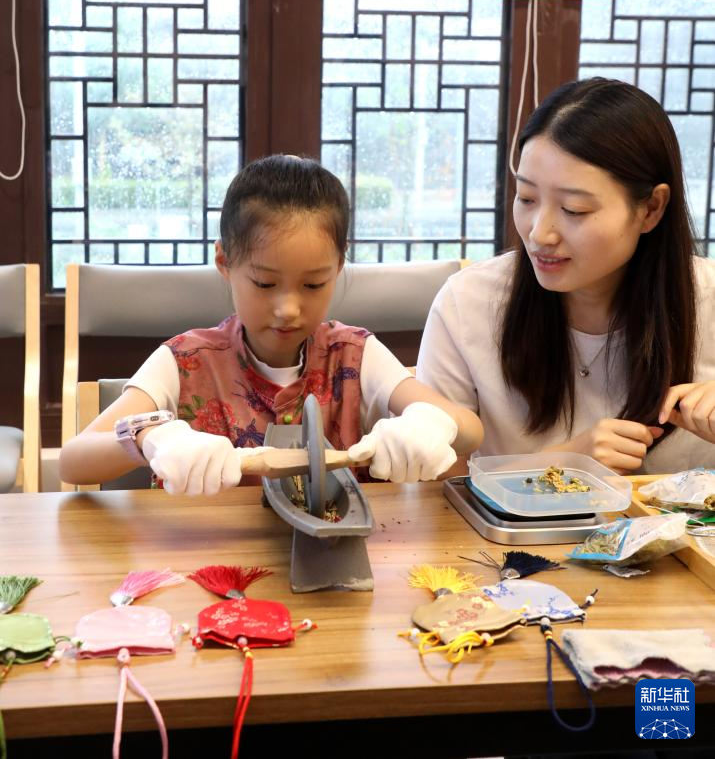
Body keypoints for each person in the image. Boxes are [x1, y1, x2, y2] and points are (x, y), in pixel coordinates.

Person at [60, 155, 483, 493]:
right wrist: (150, 439)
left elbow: (470, 429)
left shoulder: (355, 354)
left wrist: (431, 423)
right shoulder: (186, 360)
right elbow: (73, 460)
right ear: (225, 261)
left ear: (339, 266)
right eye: (264, 283)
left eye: (313, 284)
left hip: (339, 558)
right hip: (207, 557)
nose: (288, 309)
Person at [417, 76, 715, 475]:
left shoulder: (708, 301)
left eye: (574, 210)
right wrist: (564, 462)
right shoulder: (468, 303)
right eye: (526, 198)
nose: (539, 234)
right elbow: (430, 487)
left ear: (651, 209)